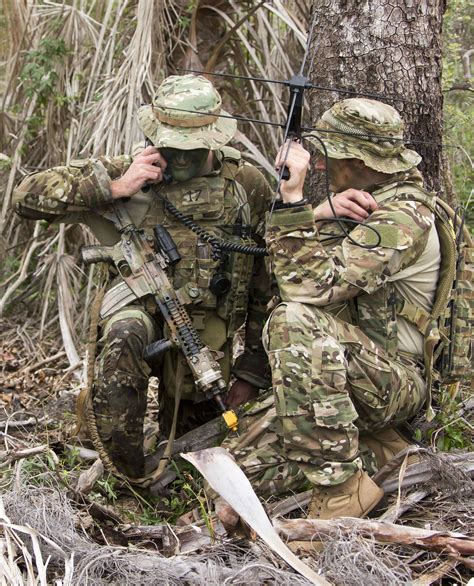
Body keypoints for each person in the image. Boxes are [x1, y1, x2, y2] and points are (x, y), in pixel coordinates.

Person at [12, 74, 273, 480]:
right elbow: (26, 196)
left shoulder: (246, 185)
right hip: (141, 315)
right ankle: (126, 481)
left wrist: (252, 369)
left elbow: (265, 280)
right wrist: (115, 186)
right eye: (172, 147)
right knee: (124, 337)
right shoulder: (131, 171)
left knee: (195, 457)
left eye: (191, 148)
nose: (181, 159)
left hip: (204, 341)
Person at [219, 98, 440, 520]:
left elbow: (305, 288)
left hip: (395, 382)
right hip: (344, 379)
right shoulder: (363, 202)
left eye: (329, 155)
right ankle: (379, 447)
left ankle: (342, 491)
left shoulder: (403, 218)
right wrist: (315, 214)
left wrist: (291, 198)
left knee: (293, 321)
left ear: (360, 159)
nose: (319, 166)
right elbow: (283, 266)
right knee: (235, 469)